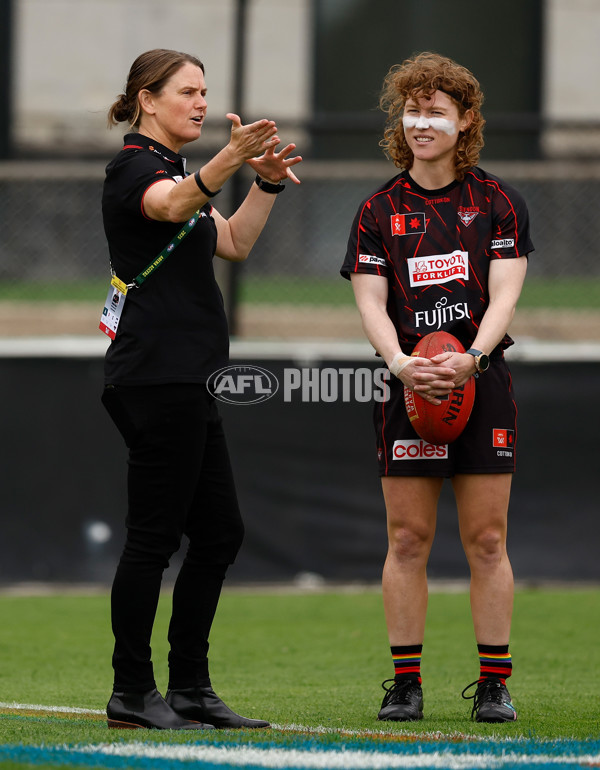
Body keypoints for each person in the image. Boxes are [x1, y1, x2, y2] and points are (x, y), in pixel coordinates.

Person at [100, 48, 302, 730]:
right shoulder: (135, 166)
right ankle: (132, 691)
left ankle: (188, 687)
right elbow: (172, 205)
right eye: (187, 92)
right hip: (157, 377)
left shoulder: (181, 169)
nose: (201, 103)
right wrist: (228, 160)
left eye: (205, 92)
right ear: (146, 99)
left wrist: (265, 183)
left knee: (218, 532)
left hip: (190, 380)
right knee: (153, 538)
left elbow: (235, 243)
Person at [340, 52, 532, 723]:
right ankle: (406, 684)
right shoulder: (377, 209)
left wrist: (474, 357)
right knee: (407, 540)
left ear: (465, 120)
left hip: (482, 385)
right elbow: (369, 300)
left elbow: (507, 293)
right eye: (413, 110)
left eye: (436, 111)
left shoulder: (498, 201)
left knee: (486, 540)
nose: (422, 123)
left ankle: (493, 684)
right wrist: (397, 362)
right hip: (405, 387)